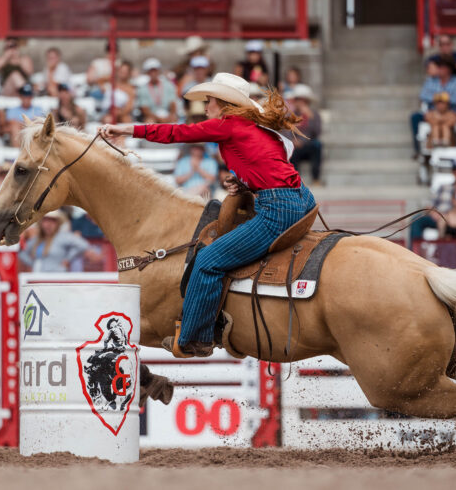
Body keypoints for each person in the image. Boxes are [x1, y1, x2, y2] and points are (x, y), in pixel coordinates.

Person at [99, 72, 315, 357]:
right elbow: (272, 166)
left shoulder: (229, 125)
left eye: (210, 100)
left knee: (208, 261)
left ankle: (196, 336)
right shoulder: (259, 129)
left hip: (277, 208)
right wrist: (246, 182)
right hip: (303, 200)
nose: (206, 106)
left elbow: (178, 133)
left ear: (224, 103)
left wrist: (126, 129)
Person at [413, 55, 456, 154]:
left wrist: (439, 99)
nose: (439, 69)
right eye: (439, 66)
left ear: (449, 69)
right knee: (434, 123)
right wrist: (441, 99)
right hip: (434, 113)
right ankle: (432, 150)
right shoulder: (431, 80)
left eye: (442, 66)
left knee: (445, 124)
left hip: (451, 112)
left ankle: (446, 148)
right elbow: (423, 95)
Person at [19, 210, 99, 272]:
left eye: (52, 221)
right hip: (38, 277)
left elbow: (83, 244)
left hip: (57, 277)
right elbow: (22, 253)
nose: (49, 224)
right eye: (46, 220)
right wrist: (33, 264)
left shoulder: (63, 237)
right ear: (41, 223)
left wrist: (68, 258)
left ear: (57, 223)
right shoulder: (36, 239)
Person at [287, 84, 323, 186]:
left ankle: (316, 178)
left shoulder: (314, 114)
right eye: (298, 99)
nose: (301, 102)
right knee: (291, 150)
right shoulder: (290, 115)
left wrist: (310, 117)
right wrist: (293, 141)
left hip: (308, 144)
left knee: (317, 145)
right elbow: (286, 132)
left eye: (303, 100)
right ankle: (296, 181)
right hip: (295, 146)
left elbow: (317, 132)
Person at [136, 58, 179, 123]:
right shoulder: (142, 89)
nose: (153, 73)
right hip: (152, 117)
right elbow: (145, 109)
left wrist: (171, 115)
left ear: (158, 71)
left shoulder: (168, 85)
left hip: (167, 115)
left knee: (174, 120)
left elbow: (173, 104)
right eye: (151, 71)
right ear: (147, 73)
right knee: (149, 122)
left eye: (155, 70)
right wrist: (158, 118)